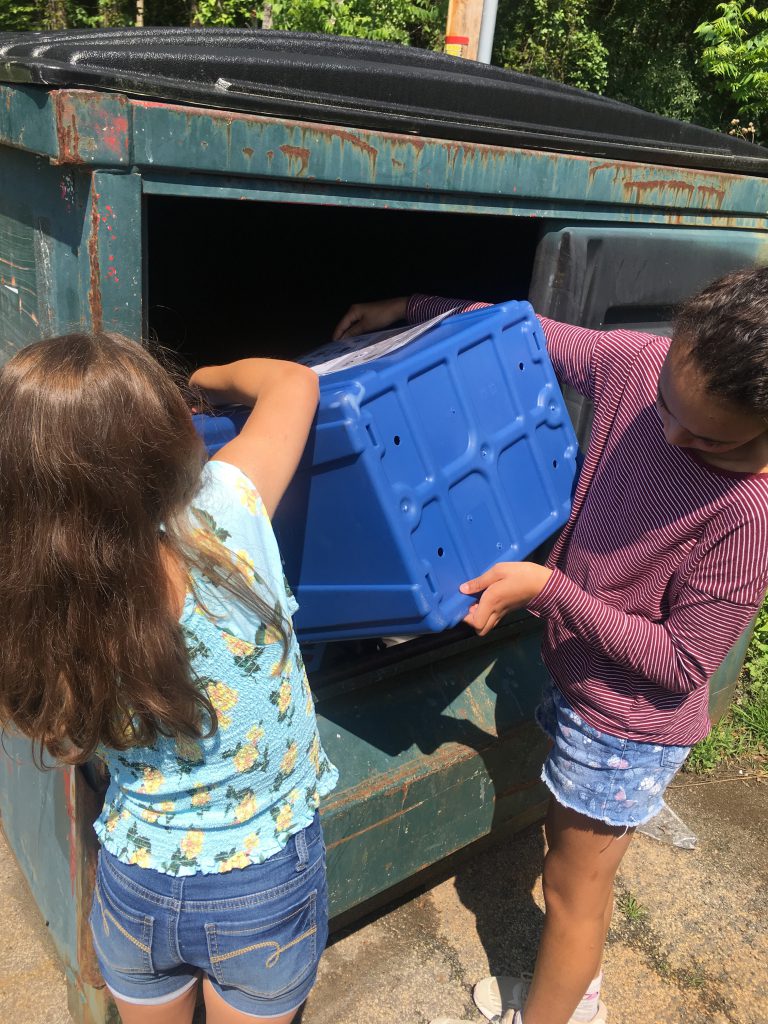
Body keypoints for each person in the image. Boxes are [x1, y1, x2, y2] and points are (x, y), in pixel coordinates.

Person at [333, 269, 768, 1024]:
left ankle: (554, 1012)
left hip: (629, 725)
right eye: (668, 404)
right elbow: (516, 332)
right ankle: (575, 995)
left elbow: (682, 664)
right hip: (580, 683)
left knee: (573, 895)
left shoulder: (749, 514)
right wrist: (408, 309)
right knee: (566, 862)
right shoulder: (636, 363)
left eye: (707, 437)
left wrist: (550, 592)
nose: (669, 435)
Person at [0, 335, 338, 1024]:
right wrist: (206, 380)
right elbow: (295, 384)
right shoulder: (224, 516)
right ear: (167, 438)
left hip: (134, 885)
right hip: (263, 883)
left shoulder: (32, 603)